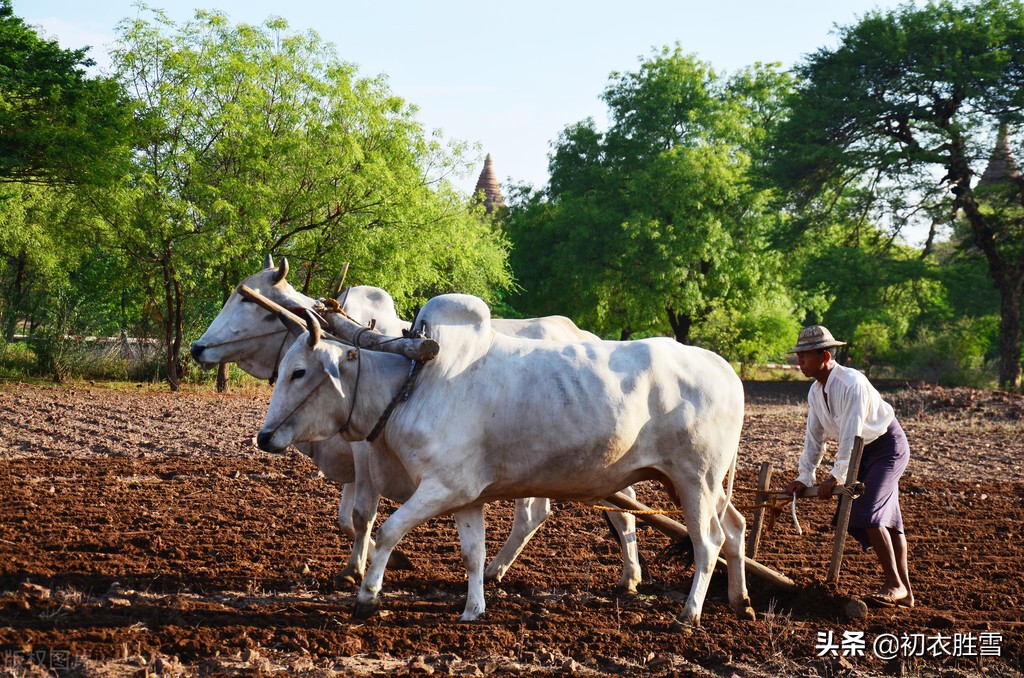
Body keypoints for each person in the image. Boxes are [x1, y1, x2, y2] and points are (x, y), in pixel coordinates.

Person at [783, 325, 914, 608]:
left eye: (805, 355)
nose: (799, 361)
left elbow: (851, 433)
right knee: (887, 520)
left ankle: (893, 583)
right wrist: (805, 476)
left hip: (886, 448)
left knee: (867, 511)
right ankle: (907, 594)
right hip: (861, 453)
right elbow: (814, 438)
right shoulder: (815, 392)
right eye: (798, 355)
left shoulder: (851, 383)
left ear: (825, 355)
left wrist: (836, 476)